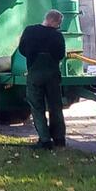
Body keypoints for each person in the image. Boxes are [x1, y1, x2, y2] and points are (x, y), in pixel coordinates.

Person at [18, 9, 66, 150]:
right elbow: (61, 54)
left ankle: (45, 140)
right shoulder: (58, 36)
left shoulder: (30, 31)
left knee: (37, 107)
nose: (59, 26)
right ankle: (59, 138)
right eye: (59, 23)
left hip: (35, 72)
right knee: (55, 106)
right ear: (53, 21)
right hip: (52, 74)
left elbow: (21, 49)